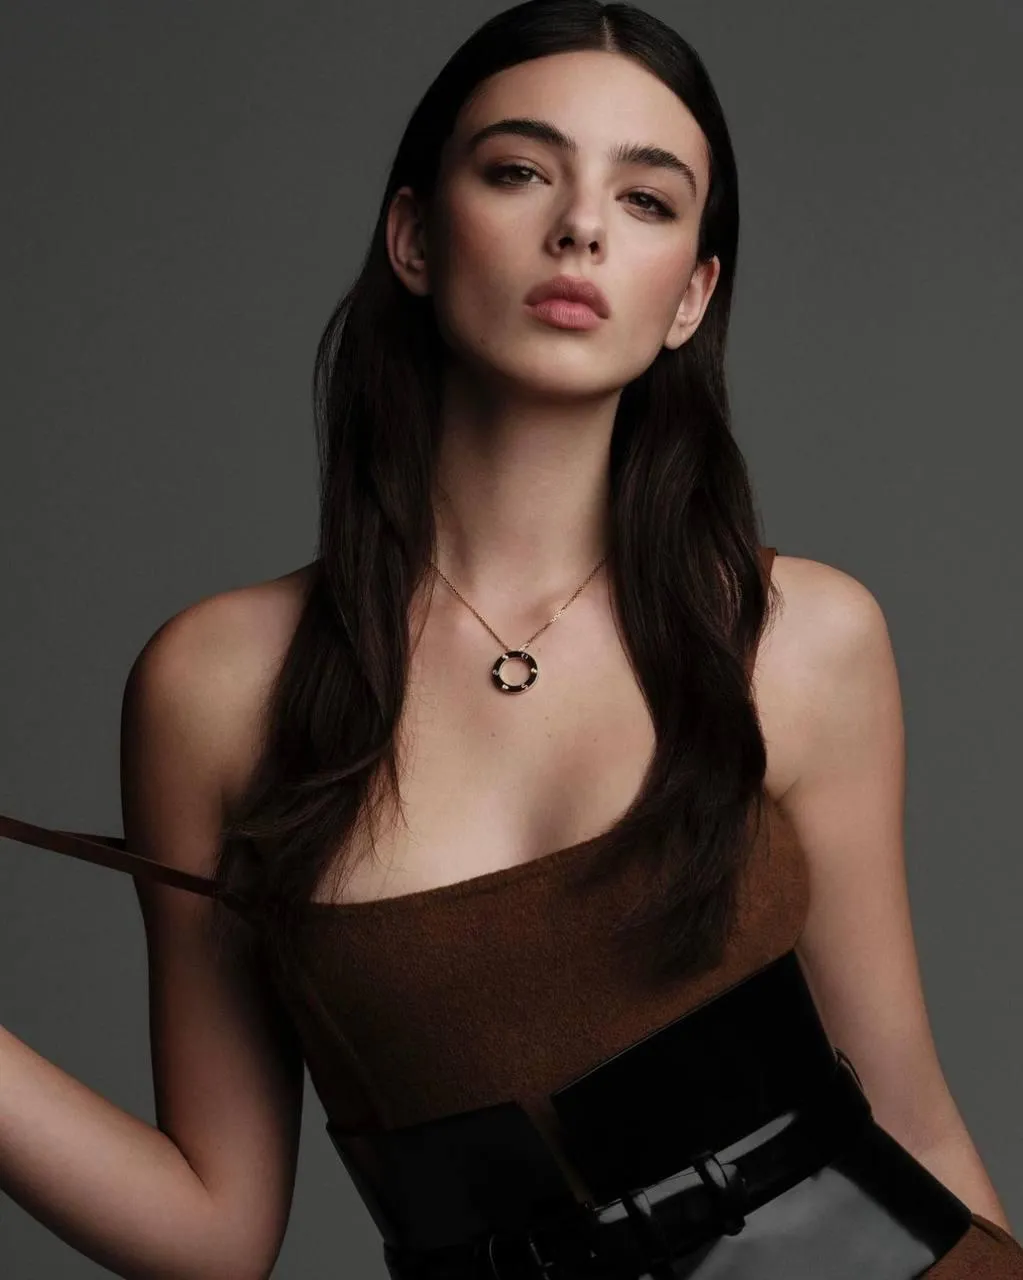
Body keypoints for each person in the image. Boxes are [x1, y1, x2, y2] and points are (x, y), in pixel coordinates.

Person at [1, 1, 1021, 1276]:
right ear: (416, 235)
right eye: (521, 171)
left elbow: (914, 1118)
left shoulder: (798, 636)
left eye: (648, 200)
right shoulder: (219, 685)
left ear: (694, 295)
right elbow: (212, 1230)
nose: (582, 224)